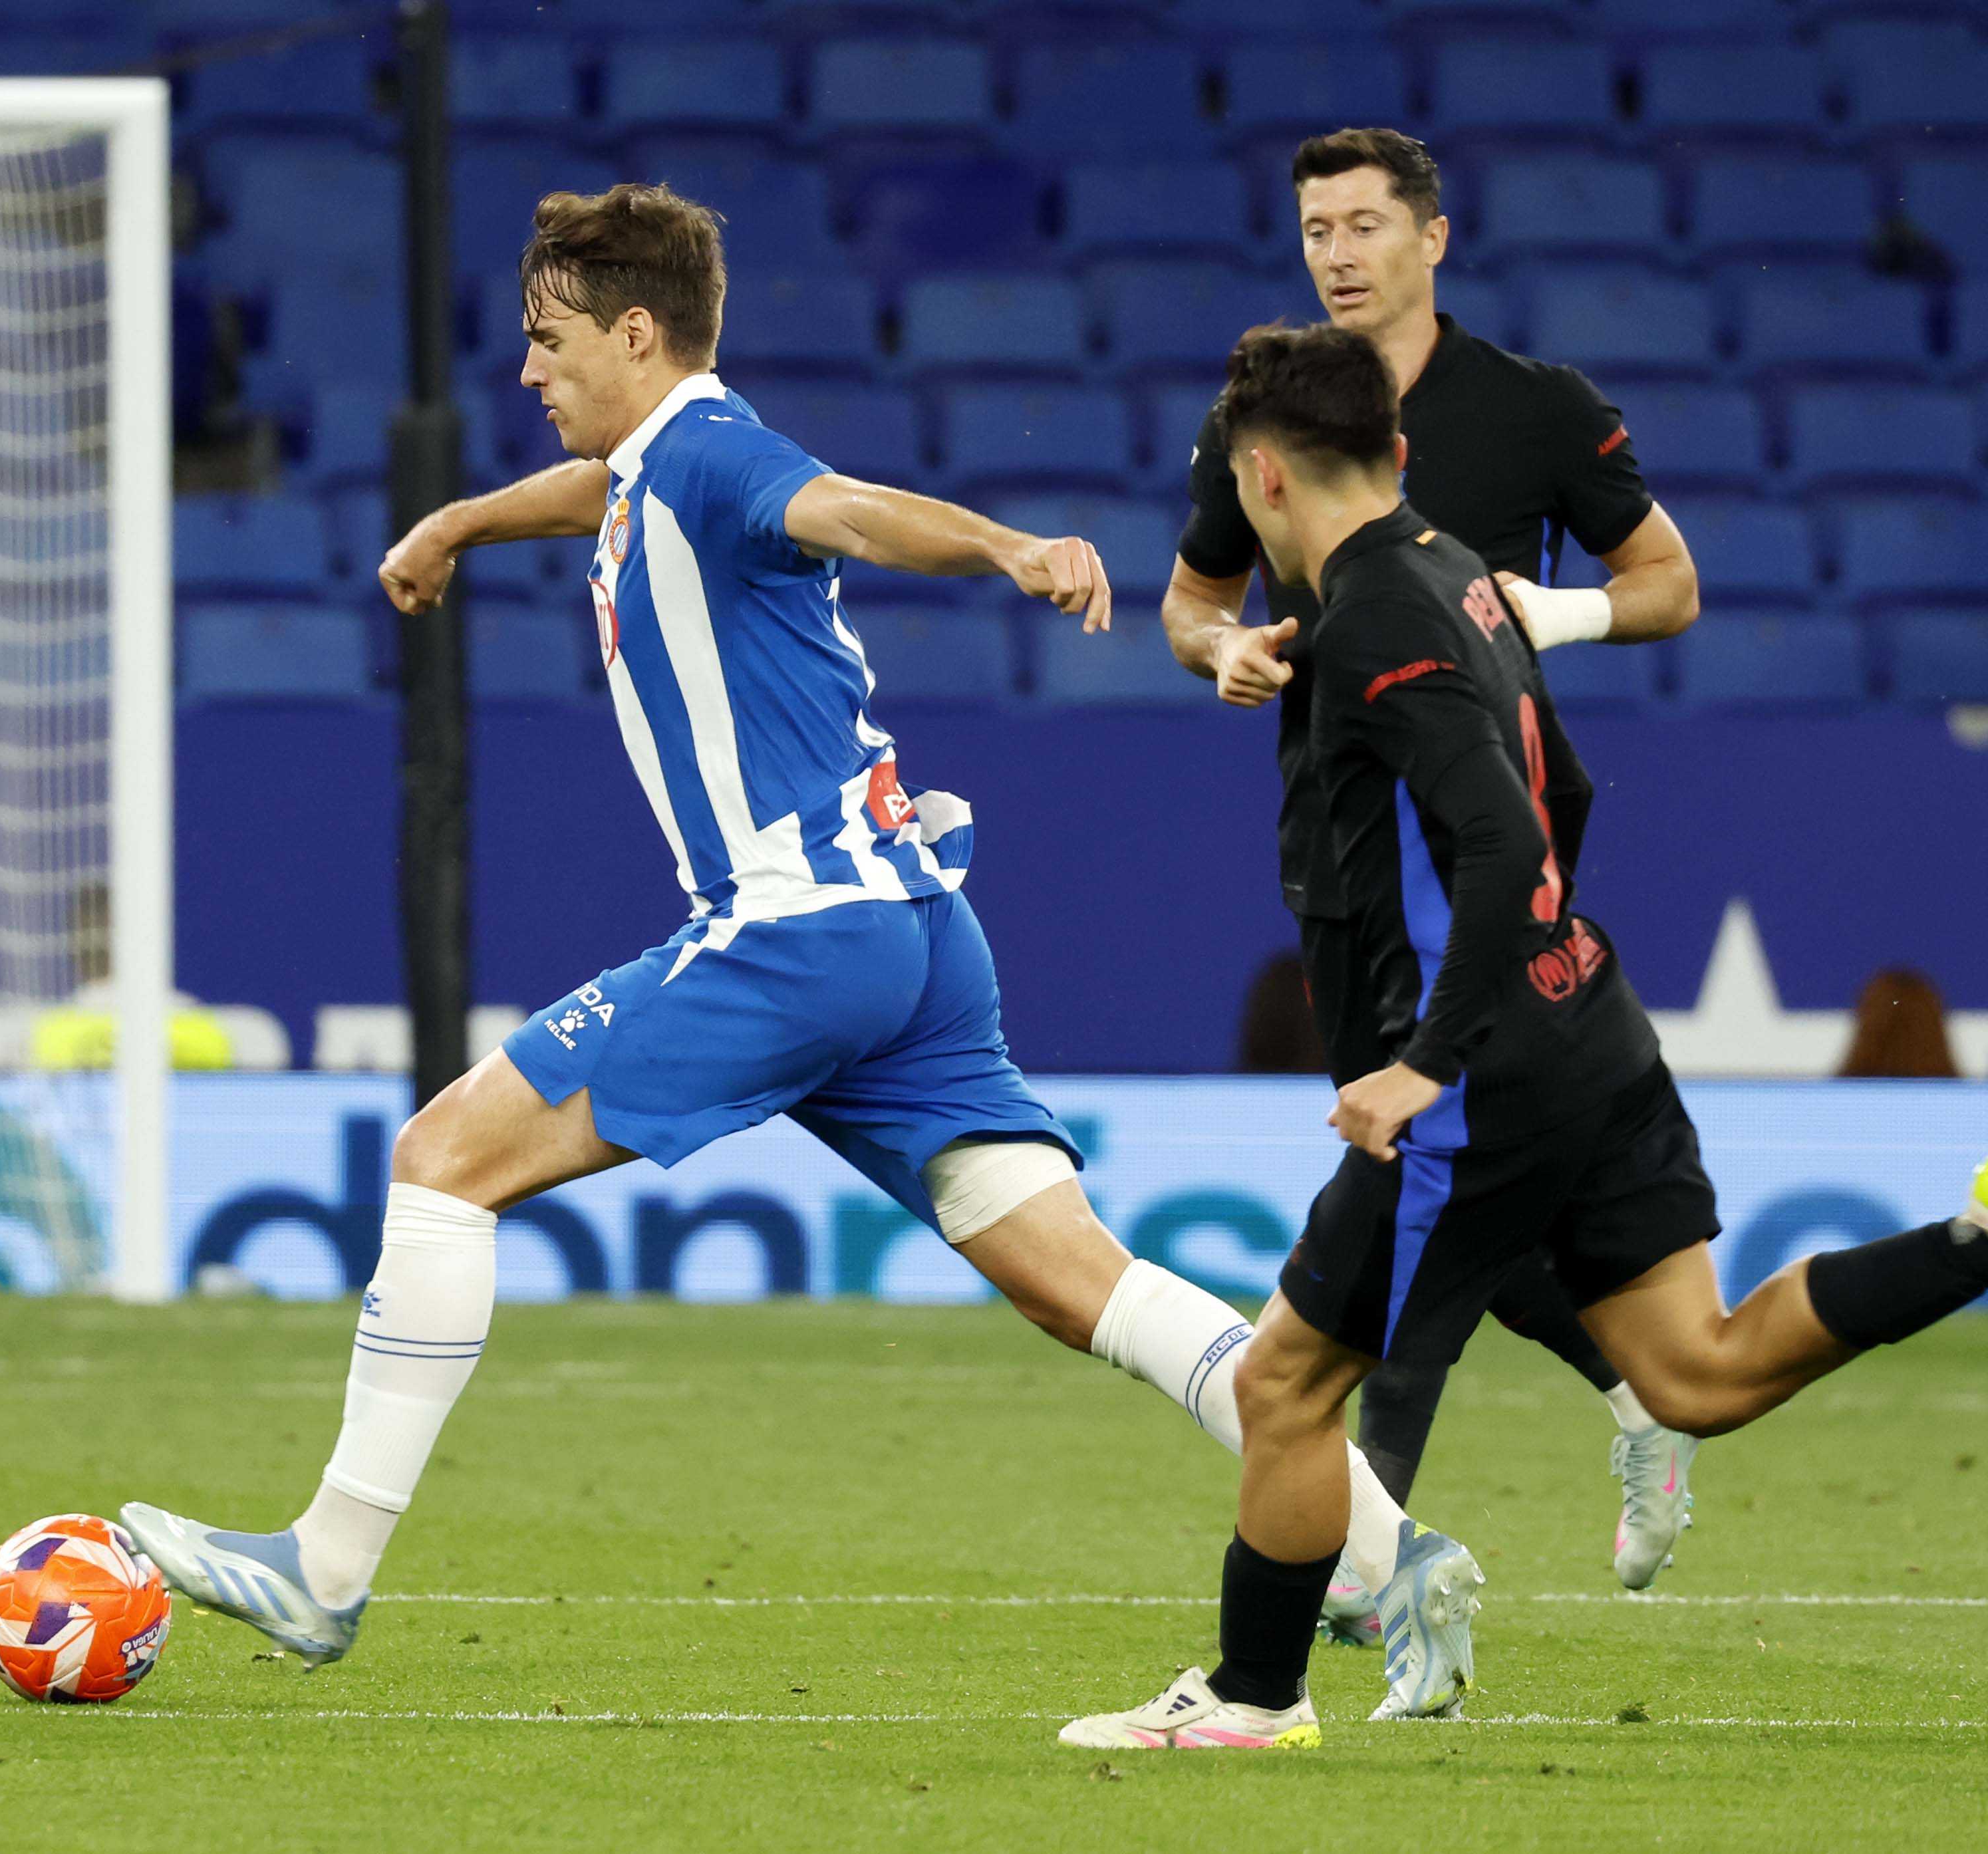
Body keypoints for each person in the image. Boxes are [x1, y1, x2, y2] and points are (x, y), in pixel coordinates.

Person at [118, 185, 1476, 1720]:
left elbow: (840, 509)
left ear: (639, 334)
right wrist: (457, 521)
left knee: (441, 1158)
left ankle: (324, 1565)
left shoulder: (711, 453)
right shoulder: (654, 466)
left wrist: (1006, 548)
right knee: (1080, 1285)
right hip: (913, 935)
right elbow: (594, 493)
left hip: (794, 929)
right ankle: (1392, 1551)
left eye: (550, 340)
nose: (528, 369)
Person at [1062, 325, 1988, 1750]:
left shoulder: (1369, 619)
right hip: (1584, 1019)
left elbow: (1498, 837)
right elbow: (1566, 793)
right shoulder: (1464, 576)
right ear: (1398, 452)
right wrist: (1540, 960)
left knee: (1284, 1381)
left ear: (1263, 477)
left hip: (1478, 1072)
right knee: (1693, 1372)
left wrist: (1429, 1057)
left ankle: (1250, 1698)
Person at [1161, 126, 1707, 1613]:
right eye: (1314, 229)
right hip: (1344, 856)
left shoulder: (1534, 410)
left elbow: (1668, 582)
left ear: (1431, 237)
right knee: (1440, 1192)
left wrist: (1556, 614)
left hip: (1469, 852)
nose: (1335, 253)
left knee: (1404, 1183)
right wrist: (1222, 650)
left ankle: (1368, 1561)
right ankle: (1641, 1395)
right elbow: (1191, 600)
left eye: (1361, 224)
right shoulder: (1263, 416)